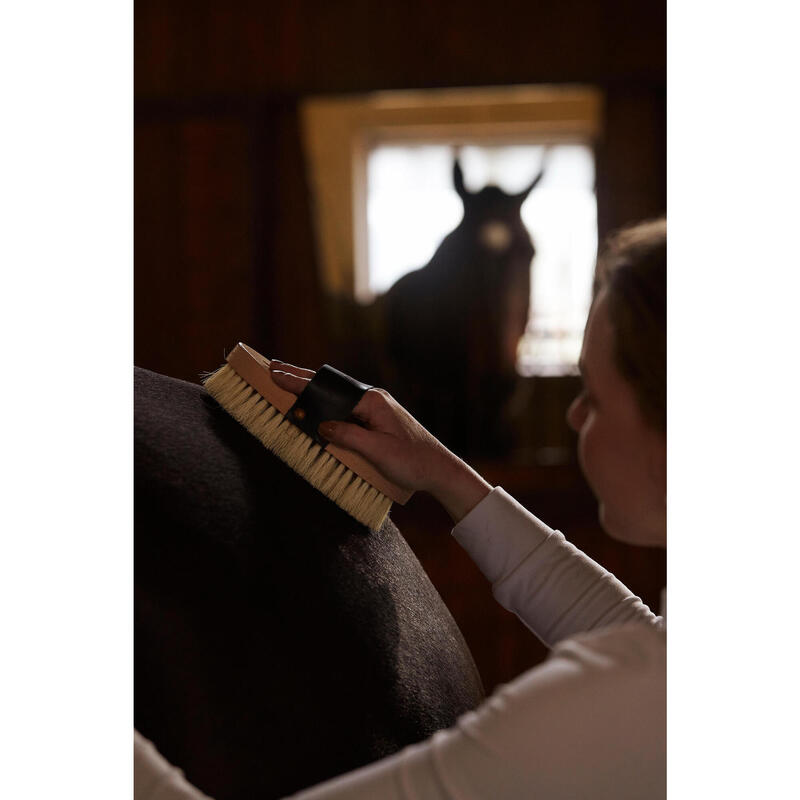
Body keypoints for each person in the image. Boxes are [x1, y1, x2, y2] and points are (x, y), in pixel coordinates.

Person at [135, 217, 666, 799]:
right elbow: (636, 633)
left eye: (591, 395)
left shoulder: (625, 704)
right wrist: (442, 470)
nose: (573, 415)